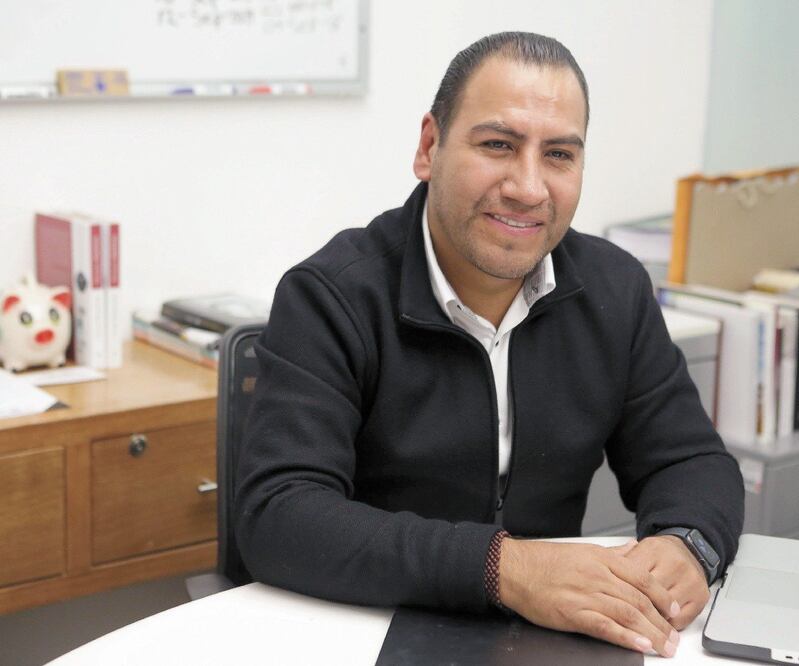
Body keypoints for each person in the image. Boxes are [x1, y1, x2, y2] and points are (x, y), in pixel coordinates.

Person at [235, 31, 744, 658]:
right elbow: (281, 514)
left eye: (558, 155)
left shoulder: (615, 289)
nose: (529, 187)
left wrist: (687, 544)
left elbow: (690, 461)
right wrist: (506, 569)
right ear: (429, 147)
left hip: (542, 642)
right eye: (498, 145)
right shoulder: (332, 296)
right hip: (361, 631)